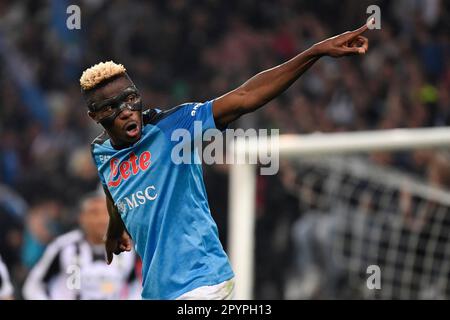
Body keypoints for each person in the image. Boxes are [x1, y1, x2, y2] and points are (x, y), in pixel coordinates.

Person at [81, 20, 372, 300]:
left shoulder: (174, 128)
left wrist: (316, 50)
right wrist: (115, 229)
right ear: (95, 116)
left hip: (202, 281)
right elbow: (114, 188)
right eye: (111, 107)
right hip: (157, 290)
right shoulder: (101, 152)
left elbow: (246, 96)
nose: (126, 111)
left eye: (130, 98)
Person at [22, 192, 138, 300]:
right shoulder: (64, 246)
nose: (101, 220)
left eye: (106, 213)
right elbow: (33, 285)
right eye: (94, 213)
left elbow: (137, 286)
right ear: (82, 218)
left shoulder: (126, 249)